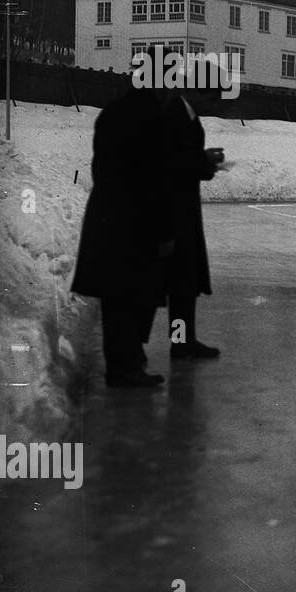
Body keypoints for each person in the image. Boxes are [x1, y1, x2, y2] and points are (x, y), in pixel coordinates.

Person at [70, 79, 174, 387]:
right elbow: (155, 180)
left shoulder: (114, 112)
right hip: (136, 221)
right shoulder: (152, 117)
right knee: (133, 295)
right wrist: (164, 229)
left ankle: (124, 362)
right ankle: (125, 366)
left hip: (109, 215)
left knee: (118, 297)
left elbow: (103, 168)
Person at [165, 88, 226, 359]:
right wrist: (204, 160)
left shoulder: (185, 112)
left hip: (183, 208)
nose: (213, 104)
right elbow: (175, 159)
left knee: (185, 280)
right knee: (181, 281)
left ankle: (183, 340)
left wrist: (205, 163)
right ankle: (180, 342)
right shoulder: (177, 113)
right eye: (212, 97)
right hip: (176, 210)